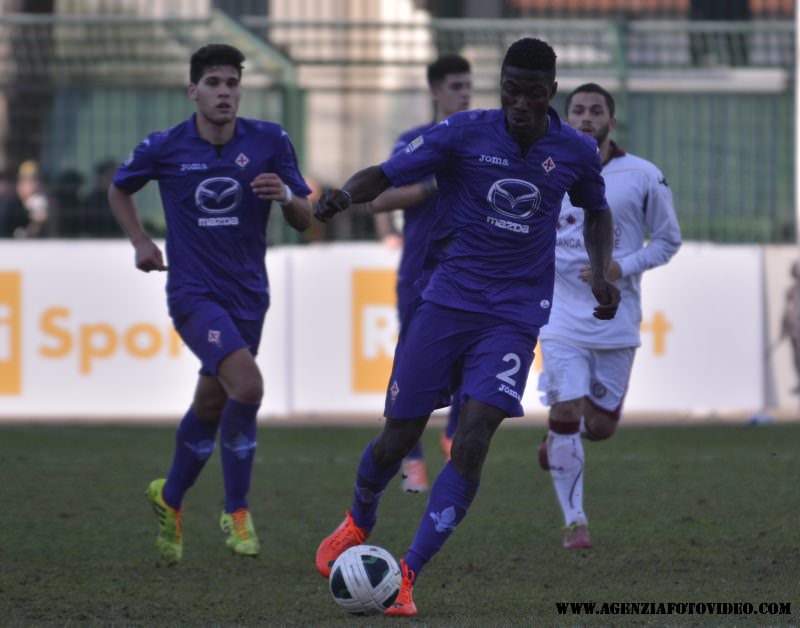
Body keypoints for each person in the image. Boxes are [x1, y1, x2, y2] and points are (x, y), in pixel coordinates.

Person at [313, 37, 620, 617]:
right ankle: (358, 518)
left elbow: (597, 208)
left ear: (550, 93)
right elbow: (383, 172)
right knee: (398, 438)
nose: (520, 104)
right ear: (500, 89)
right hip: (447, 300)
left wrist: (602, 269)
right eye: (511, 91)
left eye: (532, 93)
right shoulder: (464, 132)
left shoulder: (574, 151)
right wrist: (342, 198)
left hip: (514, 314)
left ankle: (406, 575)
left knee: (474, 440)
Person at [108, 43, 312, 566]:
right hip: (193, 293)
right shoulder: (166, 146)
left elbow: (306, 217)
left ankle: (169, 498)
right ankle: (236, 509)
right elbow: (120, 189)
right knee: (248, 385)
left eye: (232, 83)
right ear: (193, 90)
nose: (225, 92)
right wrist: (141, 243)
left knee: (212, 404)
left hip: (249, 294)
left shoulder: (269, 140)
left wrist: (285, 197)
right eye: (214, 83)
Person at [536, 83, 682, 549]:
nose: (585, 118)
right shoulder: (543, 167)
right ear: (565, 117)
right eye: (577, 110)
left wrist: (623, 266)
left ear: (611, 122)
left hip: (614, 317)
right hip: (558, 316)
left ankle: (561, 439)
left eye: (595, 111)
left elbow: (667, 240)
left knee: (598, 427)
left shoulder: (642, 175)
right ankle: (574, 521)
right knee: (566, 407)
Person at [371, 53, 473, 493]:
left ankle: (452, 433)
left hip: (468, 270)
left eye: (468, 85)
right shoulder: (414, 140)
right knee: (412, 367)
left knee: (471, 356)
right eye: (455, 86)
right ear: (435, 91)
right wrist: (434, 184)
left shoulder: (484, 140)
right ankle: (411, 458)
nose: (464, 93)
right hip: (419, 271)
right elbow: (381, 199)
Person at [780, 260, 800, 393]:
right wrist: (783, 329)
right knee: (796, 357)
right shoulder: (791, 291)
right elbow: (787, 311)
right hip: (794, 329)